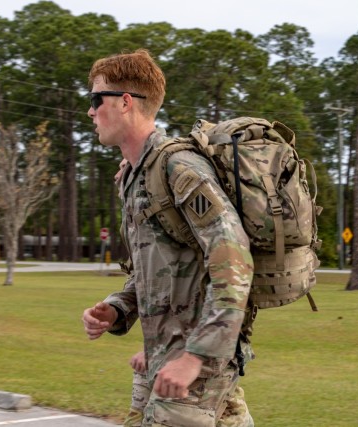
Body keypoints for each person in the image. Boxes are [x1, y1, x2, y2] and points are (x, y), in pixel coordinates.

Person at [82, 49, 255, 426]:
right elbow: (159, 267)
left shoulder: (179, 168)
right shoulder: (133, 175)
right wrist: (118, 308)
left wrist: (195, 357)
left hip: (191, 371)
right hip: (164, 363)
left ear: (125, 102)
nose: (91, 111)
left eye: (96, 99)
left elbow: (235, 260)